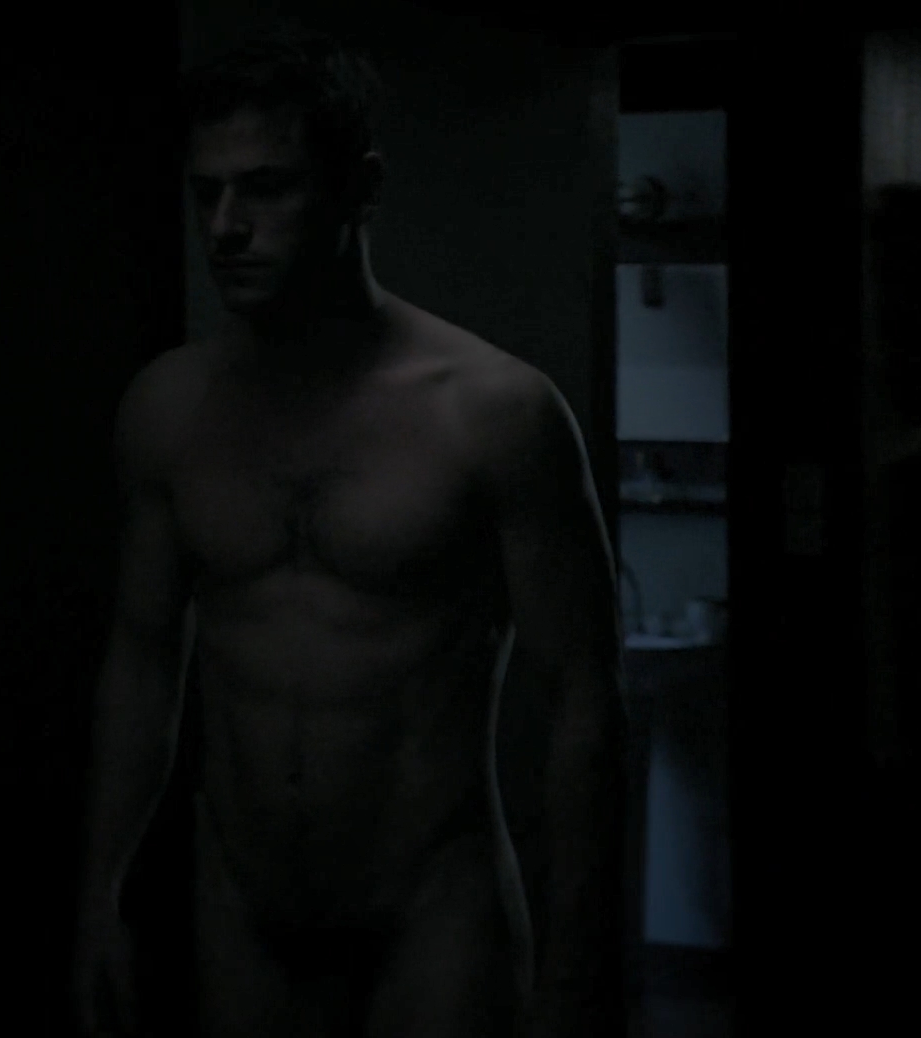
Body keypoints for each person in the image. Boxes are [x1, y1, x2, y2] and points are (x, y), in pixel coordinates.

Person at [72, 25, 625, 1038]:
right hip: (238, 916)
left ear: (358, 189)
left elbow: (585, 701)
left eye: (266, 188)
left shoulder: (494, 413)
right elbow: (142, 662)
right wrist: (98, 897)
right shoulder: (168, 411)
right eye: (206, 193)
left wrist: (574, 976)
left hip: (433, 913)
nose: (226, 227)